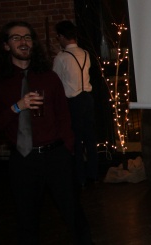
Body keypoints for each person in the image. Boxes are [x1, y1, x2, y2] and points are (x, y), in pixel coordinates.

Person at [0, 21, 92, 244]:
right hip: (23, 159)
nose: (23, 42)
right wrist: (16, 107)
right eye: (16, 38)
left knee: (73, 213)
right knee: (26, 218)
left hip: (56, 155)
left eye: (28, 37)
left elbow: (64, 115)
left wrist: (67, 149)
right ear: (5, 46)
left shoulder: (49, 77)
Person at [53, 20, 98, 188]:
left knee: (76, 140)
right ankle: (93, 174)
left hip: (73, 101)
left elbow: (55, 80)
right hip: (88, 98)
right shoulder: (85, 53)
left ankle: (79, 177)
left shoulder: (61, 57)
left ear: (63, 37)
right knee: (90, 138)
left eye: (58, 36)